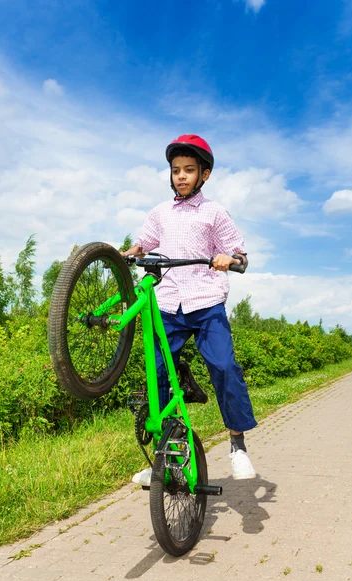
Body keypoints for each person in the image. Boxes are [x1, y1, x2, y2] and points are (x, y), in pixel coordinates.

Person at [121, 134, 257, 486]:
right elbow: (144, 243)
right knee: (157, 376)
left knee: (224, 365)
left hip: (205, 301)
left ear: (204, 175)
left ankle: (237, 444)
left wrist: (231, 259)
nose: (181, 176)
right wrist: (129, 252)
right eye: (176, 170)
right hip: (168, 302)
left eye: (189, 170)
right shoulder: (159, 213)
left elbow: (240, 252)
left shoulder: (214, 212)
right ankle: (164, 458)